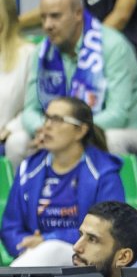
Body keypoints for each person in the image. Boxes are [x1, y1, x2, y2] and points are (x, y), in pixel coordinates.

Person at [9, 0, 137, 164]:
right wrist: (45, 129)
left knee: (109, 140)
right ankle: (30, 192)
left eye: (55, 16)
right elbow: (30, 110)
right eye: (43, 17)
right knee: (17, 143)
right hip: (66, 130)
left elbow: (117, 115)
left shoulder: (113, 46)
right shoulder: (42, 52)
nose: (47, 25)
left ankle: (109, 192)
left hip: (129, 130)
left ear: (78, 14)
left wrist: (68, 133)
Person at [2, 97, 125, 267]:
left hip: (86, 260)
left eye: (58, 120)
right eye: (47, 118)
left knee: (51, 250)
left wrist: (47, 240)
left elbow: (108, 229)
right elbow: (10, 226)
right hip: (32, 257)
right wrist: (27, 246)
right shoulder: (28, 169)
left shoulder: (103, 172)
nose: (48, 125)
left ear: (80, 131)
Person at [0, 0, 33, 160]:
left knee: (18, 142)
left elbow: (36, 106)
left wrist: (11, 129)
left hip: (6, 136)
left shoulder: (28, 54)